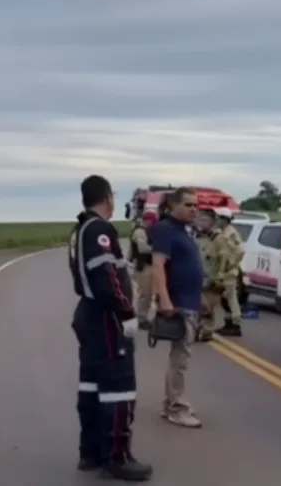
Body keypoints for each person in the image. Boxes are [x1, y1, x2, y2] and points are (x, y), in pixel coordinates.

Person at [69, 174, 153, 481]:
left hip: (88, 316)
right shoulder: (101, 230)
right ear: (106, 197)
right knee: (118, 388)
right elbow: (108, 278)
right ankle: (117, 458)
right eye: (113, 196)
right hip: (106, 319)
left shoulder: (79, 229)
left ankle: (90, 453)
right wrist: (127, 313)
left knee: (91, 385)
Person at [150, 186, 204, 428]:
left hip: (190, 301)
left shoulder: (185, 231)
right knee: (180, 358)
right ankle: (175, 407)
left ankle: (171, 402)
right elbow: (158, 266)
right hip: (179, 303)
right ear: (173, 206)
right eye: (188, 205)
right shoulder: (166, 230)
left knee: (181, 356)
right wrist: (164, 299)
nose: (194, 209)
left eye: (195, 205)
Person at [213, 207, 245, 336]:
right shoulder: (228, 232)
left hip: (228, 271)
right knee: (226, 298)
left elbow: (231, 254)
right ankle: (229, 323)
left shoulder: (227, 235)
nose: (216, 221)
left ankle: (235, 324)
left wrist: (227, 266)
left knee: (231, 298)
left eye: (218, 218)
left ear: (224, 220)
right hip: (229, 270)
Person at [195, 208, 222, 342]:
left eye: (205, 220)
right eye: (200, 219)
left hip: (212, 277)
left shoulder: (218, 239)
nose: (202, 222)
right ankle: (195, 329)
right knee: (197, 306)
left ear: (213, 222)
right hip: (197, 276)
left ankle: (206, 331)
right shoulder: (196, 237)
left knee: (208, 307)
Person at [129, 211, 157, 330]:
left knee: (149, 294)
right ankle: (141, 318)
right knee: (145, 294)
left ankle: (143, 317)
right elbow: (142, 248)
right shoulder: (140, 231)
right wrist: (159, 248)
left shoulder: (144, 231)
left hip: (146, 266)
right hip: (143, 266)